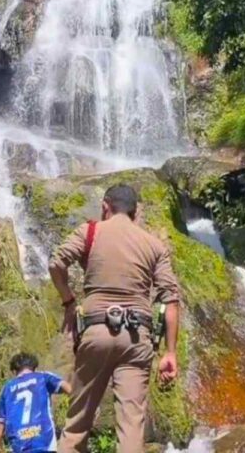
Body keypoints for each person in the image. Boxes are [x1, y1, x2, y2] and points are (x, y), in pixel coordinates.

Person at [49, 184, 181, 453]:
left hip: (96, 332)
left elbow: (56, 263)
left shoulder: (91, 231)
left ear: (106, 206)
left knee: (77, 424)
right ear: (136, 212)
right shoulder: (154, 245)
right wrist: (170, 352)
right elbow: (171, 298)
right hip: (137, 337)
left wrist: (68, 301)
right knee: (131, 426)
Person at [0, 353, 73, 453]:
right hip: (44, 443)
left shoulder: (7, 388)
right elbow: (68, 388)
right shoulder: (43, 377)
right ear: (34, 367)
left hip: (19, 445)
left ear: (14, 371)